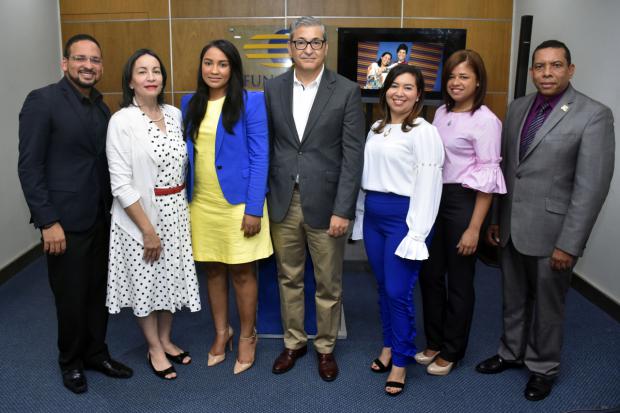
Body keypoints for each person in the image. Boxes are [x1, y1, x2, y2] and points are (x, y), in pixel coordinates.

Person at [476, 40, 615, 401]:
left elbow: (591, 188)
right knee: (513, 297)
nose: (547, 73)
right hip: (510, 226)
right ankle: (511, 352)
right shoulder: (519, 108)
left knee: (549, 306)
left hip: (554, 233)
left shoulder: (593, 114)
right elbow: (507, 170)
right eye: (540, 66)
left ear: (570, 69)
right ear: (532, 71)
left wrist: (570, 243)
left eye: (555, 66)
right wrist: (495, 218)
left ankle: (543, 367)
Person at [17, 34, 132, 394]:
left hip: (101, 217)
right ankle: (71, 363)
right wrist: (47, 221)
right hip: (64, 223)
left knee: (98, 292)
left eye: (95, 60)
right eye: (80, 59)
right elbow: (30, 167)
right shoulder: (43, 101)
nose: (89, 66)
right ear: (65, 63)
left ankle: (96, 353)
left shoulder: (101, 106)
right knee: (70, 296)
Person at [265, 16, 365, 382]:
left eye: (315, 42)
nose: (308, 49)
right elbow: (270, 147)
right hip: (283, 200)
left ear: (325, 47)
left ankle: (325, 347)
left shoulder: (347, 91)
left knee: (328, 282)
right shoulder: (273, 89)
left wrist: (344, 209)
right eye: (300, 42)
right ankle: (293, 342)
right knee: (288, 276)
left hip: (327, 204)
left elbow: (353, 156)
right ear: (290, 47)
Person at [106, 49, 201, 380]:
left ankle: (165, 338)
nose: (150, 77)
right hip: (141, 217)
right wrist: (147, 229)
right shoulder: (121, 121)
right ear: (130, 81)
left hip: (176, 212)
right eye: (142, 71)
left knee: (169, 281)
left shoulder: (175, 114)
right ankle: (154, 347)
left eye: (156, 71)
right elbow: (120, 183)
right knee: (146, 283)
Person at [351, 64, 444, 396]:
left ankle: (402, 361)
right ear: (384, 89)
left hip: (404, 219)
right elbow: (366, 178)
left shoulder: (423, 130)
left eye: (408, 87)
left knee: (397, 291)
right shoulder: (376, 127)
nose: (399, 92)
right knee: (382, 286)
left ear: (419, 94)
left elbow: (430, 184)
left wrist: (417, 233)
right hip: (375, 216)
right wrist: (361, 218)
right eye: (394, 85)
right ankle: (389, 346)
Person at [181, 39, 271, 375]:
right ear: (201, 66)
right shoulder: (189, 103)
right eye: (208, 62)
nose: (214, 70)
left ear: (233, 68)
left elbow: (261, 155)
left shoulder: (250, 102)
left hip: (238, 205)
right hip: (201, 204)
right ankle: (223, 332)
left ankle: (248, 336)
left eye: (222, 64)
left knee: (243, 272)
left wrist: (253, 208)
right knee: (213, 269)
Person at [416, 50, 506, 376]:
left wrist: (474, 228)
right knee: (429, 275)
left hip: (465, 202)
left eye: (464, 76)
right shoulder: (440, 111)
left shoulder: (486, 121)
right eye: (452, 76)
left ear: (478, 81)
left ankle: (452, 350)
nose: (456, 82)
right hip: (435, 198)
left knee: (459, 281)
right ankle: (435, 341)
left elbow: (488, 179)